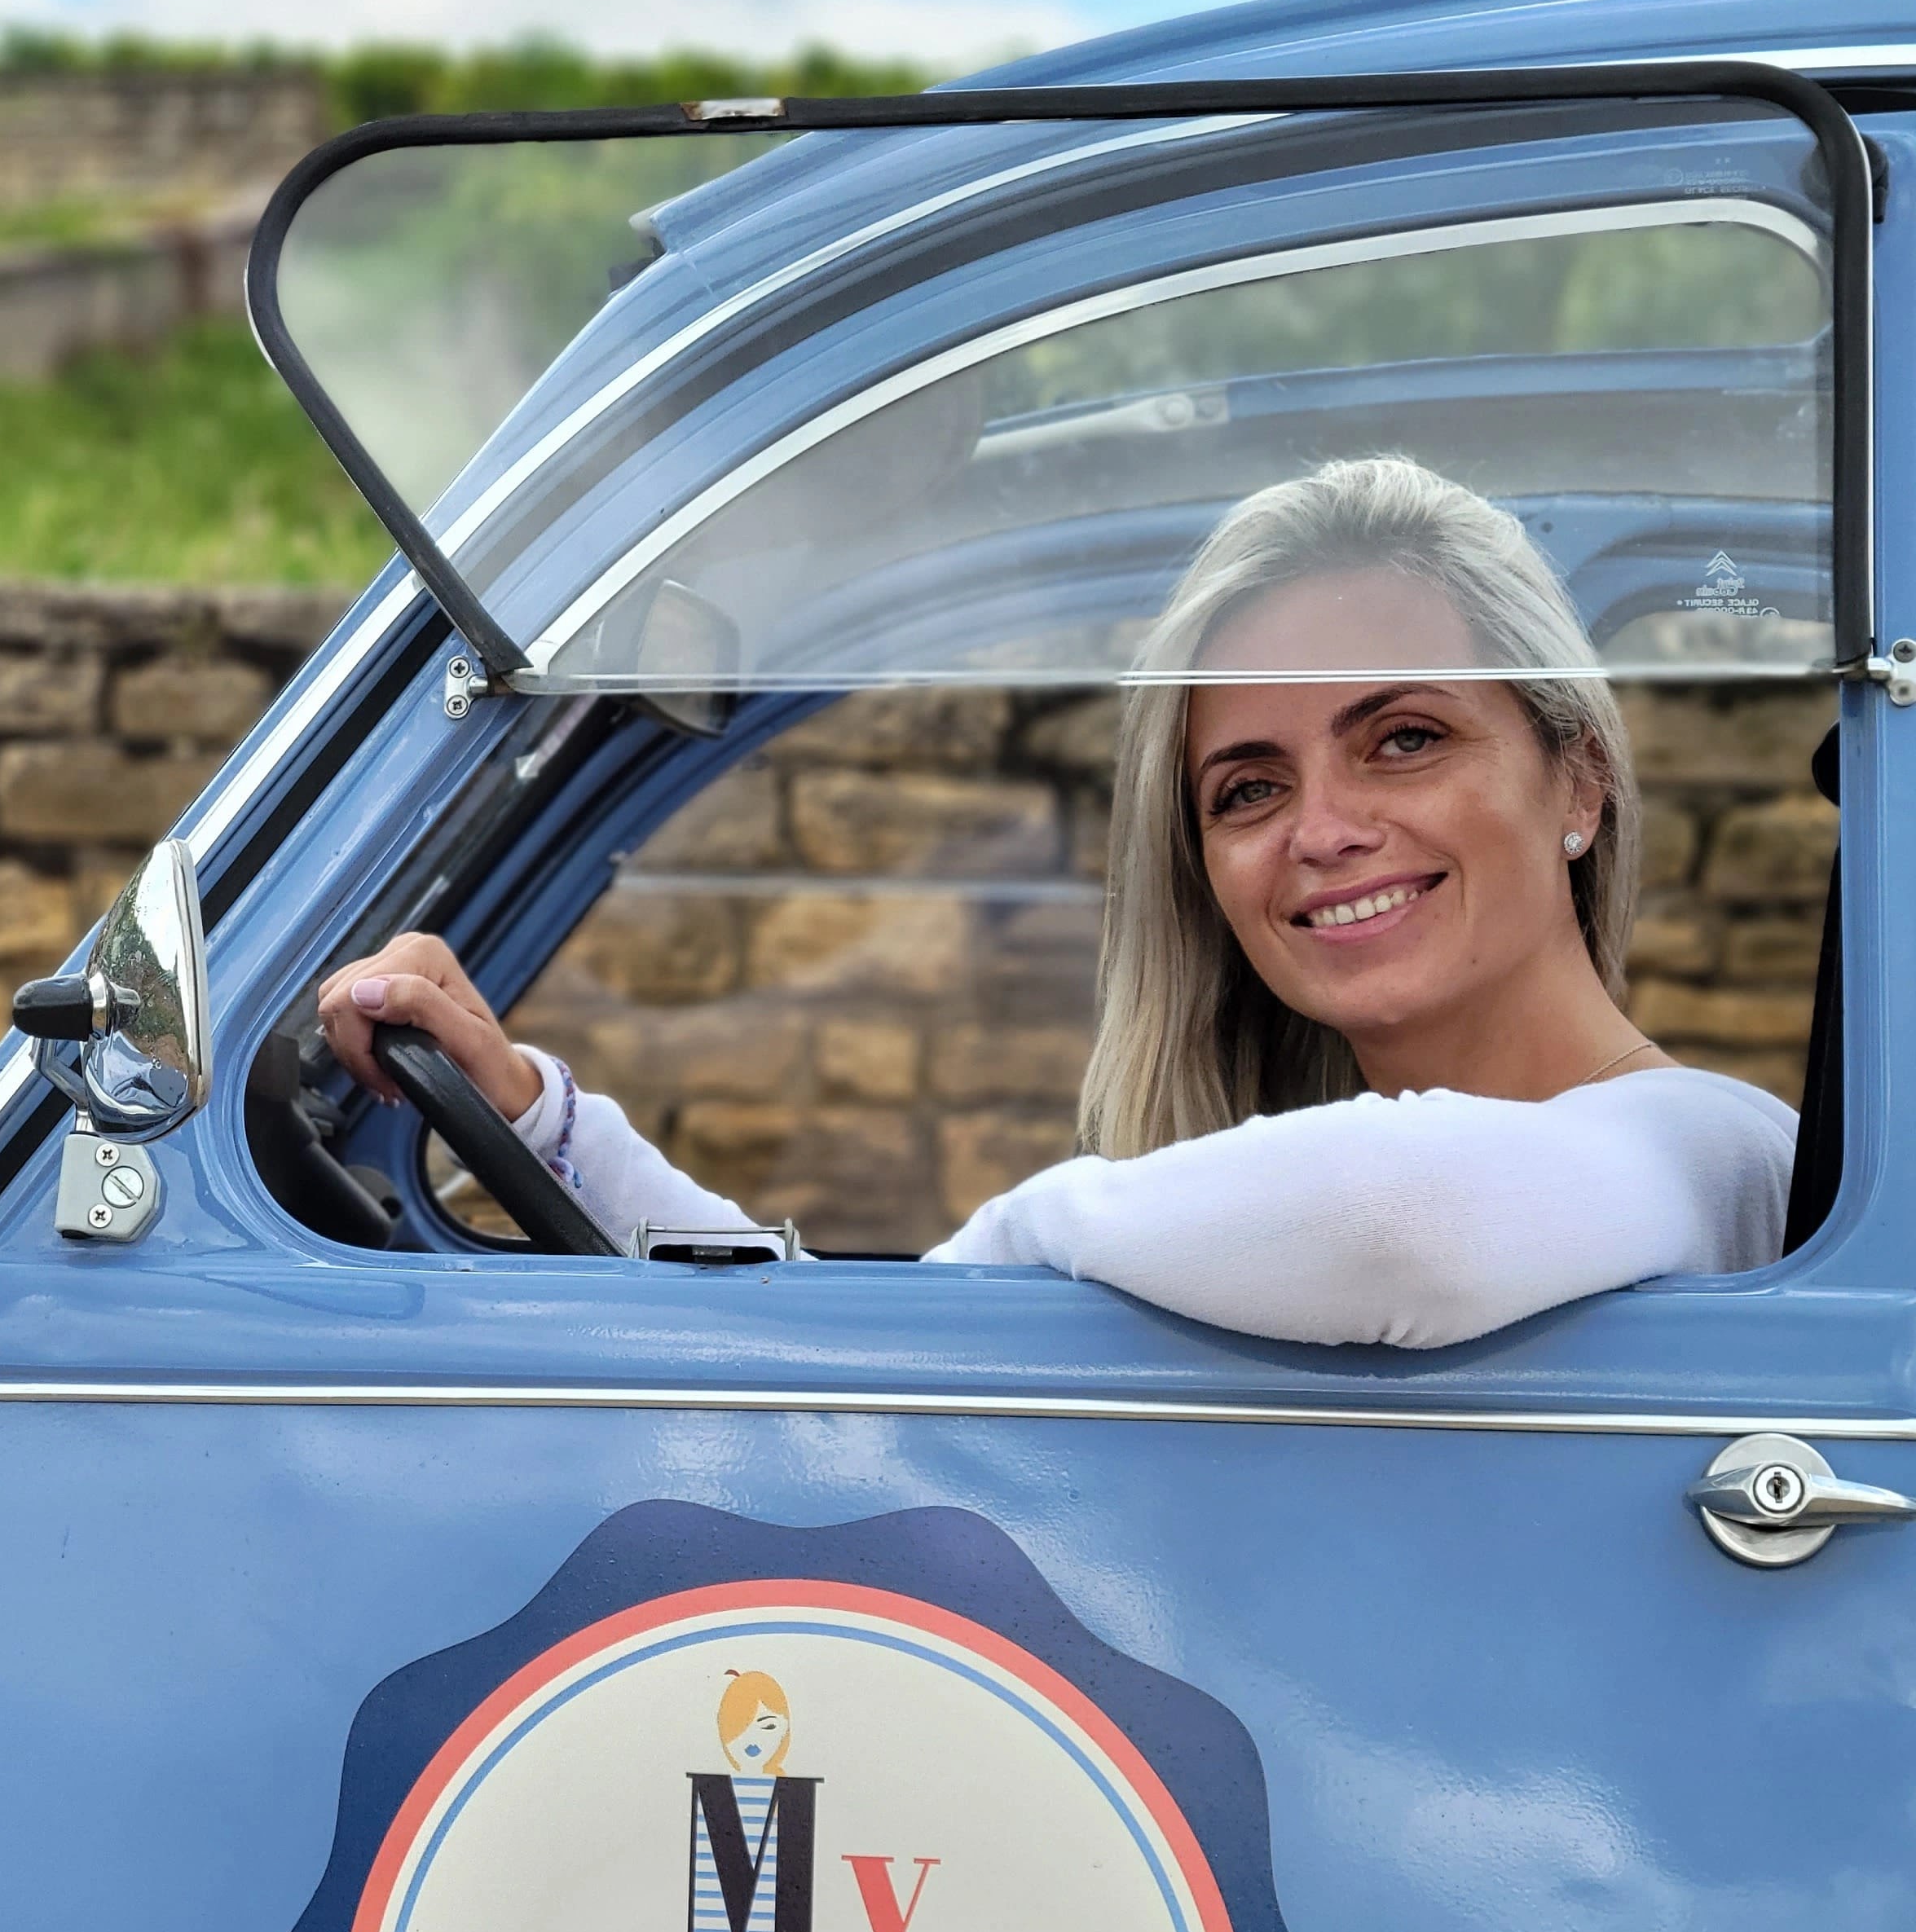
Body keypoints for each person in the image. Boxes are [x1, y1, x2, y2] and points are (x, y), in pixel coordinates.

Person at [315, 457, 1799, 1349]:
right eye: (1248, 789)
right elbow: (853, 1362)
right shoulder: (1254, 1252)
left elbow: (1397, 1214)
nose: (1325, 831)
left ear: (1579, 782)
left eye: (1404, 739)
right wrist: (540, 1123)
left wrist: (997, 1260)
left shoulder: (1715, 1148)